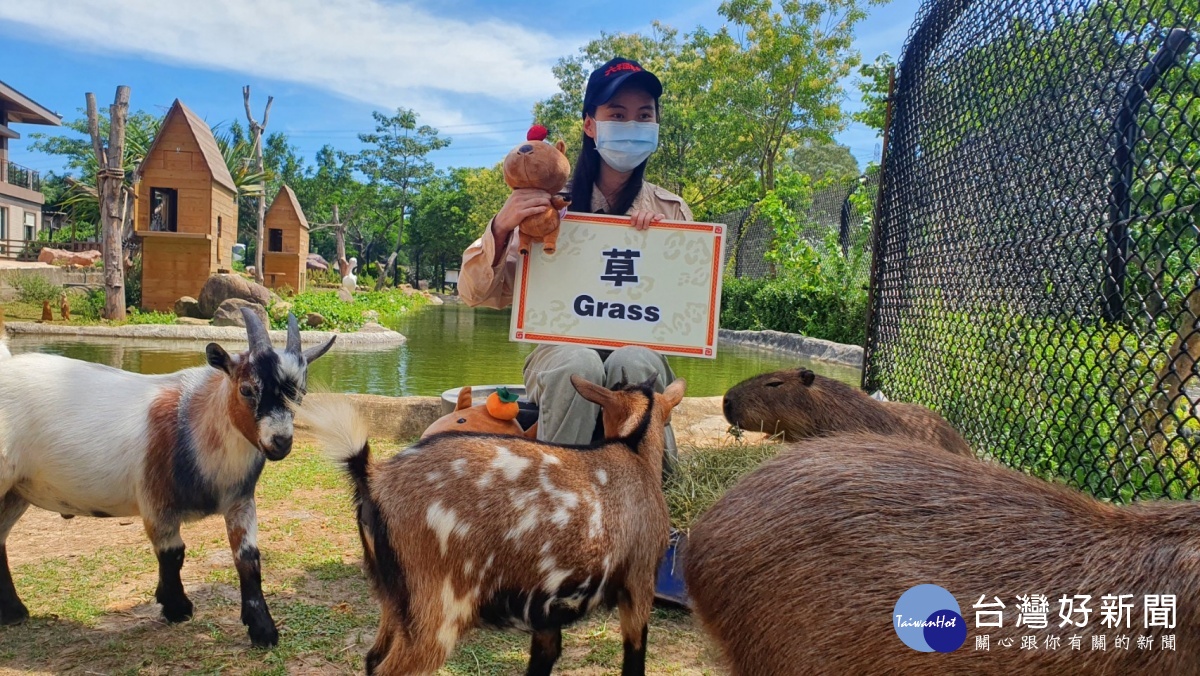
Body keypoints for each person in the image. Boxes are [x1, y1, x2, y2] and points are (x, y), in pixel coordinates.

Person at [459, 57, 692, 473]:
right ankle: (552, 492)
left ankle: (658, 489)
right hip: (557, 351)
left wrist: (663, 250)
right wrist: (502, 226)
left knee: (634, 361)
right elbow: (476, 295)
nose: (632, 125)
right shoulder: (542, 205)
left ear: (656, 124)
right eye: (616, 115)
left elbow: (688, 315)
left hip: (639, 347)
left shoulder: (671, 212)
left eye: (644, 115)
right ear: (589, 124)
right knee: (577, 362)